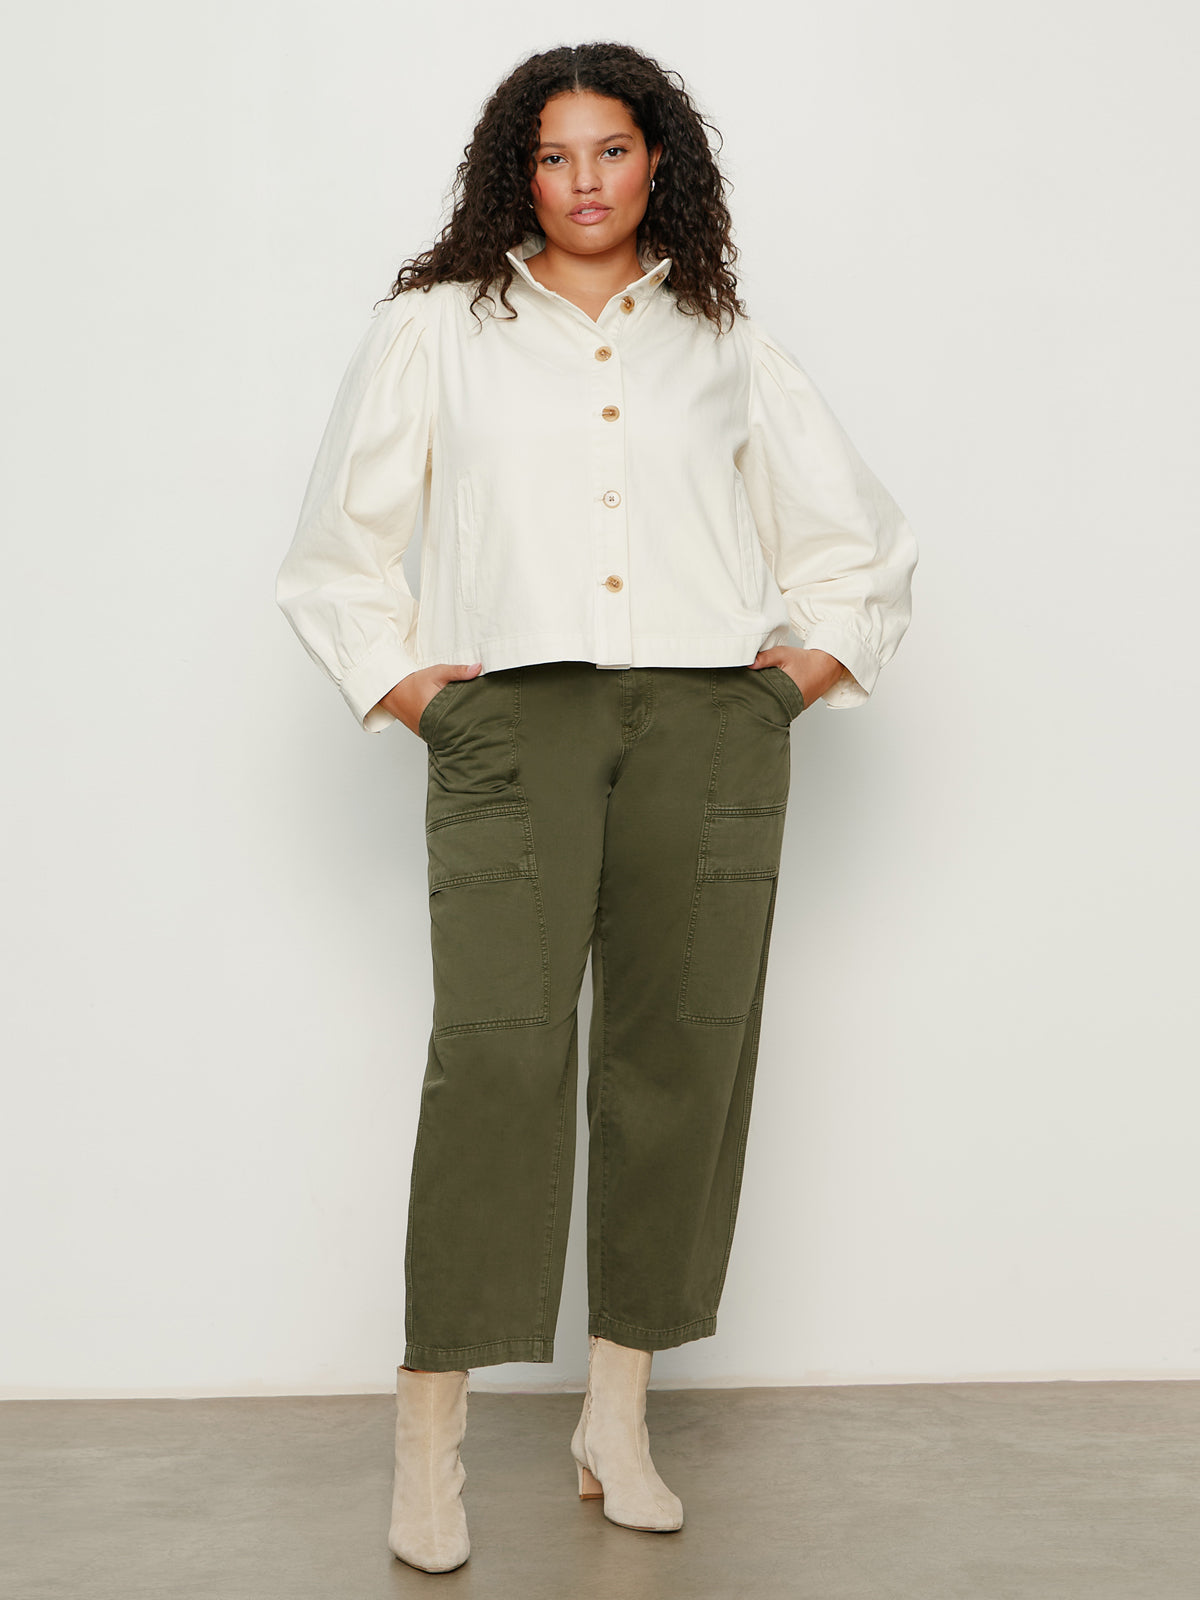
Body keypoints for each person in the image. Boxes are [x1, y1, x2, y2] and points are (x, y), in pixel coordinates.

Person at [275, 41, 918, 1574]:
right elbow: (337, 557)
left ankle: (616, 1420)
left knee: (678, 1061)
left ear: (657, 162)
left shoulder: (723, 341)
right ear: (520, 170)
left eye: (612, 151)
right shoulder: (439, 330)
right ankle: (428, 1444)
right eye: (555, 155)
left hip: (708, 728)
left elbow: (860, 549)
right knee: (496, 1062)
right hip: (514, 724)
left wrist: (778, 692)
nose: (584, 182)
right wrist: (427, 700)